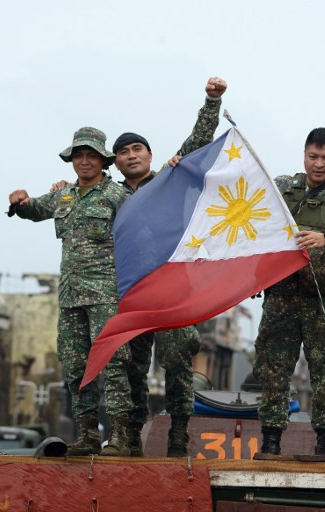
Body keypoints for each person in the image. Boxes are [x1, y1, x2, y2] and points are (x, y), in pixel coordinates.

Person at [50, 77, 228, 457]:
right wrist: (65, 189)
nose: (131, 156)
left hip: (172, 287)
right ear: (114, 161)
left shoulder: (168, 179)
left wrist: (212, 101)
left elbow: (198, 141)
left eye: (137, 149)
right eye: (123, 152)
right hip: (130, 292)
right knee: (129, 365)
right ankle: (129, 436)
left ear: (149, 154)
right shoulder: (110, 194)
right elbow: (79, 199)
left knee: (176, 361)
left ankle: (178, 433)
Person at [8, 127, 133, 457]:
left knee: (114, 364)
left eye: (91, 155)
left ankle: (120, 436)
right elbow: (35, 209)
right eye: (79, 156)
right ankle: (88, 435)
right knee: (76, 367)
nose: (84, 161)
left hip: (106, 295)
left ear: (103, 160)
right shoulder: (63, 196)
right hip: (70, 297)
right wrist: (20, 201)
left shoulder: (116, 195)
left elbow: (140, 231)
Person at [252, 127, 325, 456]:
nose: (319, 164)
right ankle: (271, 441)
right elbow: (252, 211)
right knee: (273, 368)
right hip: (282, 294)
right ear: (304, 155)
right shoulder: (284, 187)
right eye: (313, 156)